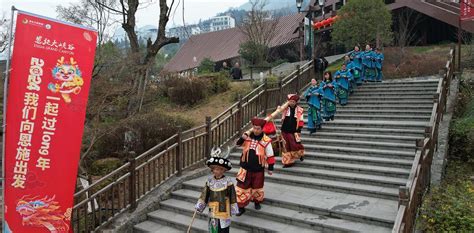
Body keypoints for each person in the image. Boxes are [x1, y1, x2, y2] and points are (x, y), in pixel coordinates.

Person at [235, 117, 275, 216]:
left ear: (262, 129)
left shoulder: (266, 140)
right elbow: (238, 144)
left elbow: (270, 155)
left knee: (257, 187)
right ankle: (241, 207)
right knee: (241, 187)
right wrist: (242, 138)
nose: (256, 130)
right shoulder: (247, 137)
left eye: (258, 128)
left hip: (258, 169)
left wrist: (270, 167)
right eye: (254, 128)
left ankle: (257, 202)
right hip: (245, 168)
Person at [195, 147, 239, 233]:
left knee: (223, 229)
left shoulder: (228, 181)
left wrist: (233, 207)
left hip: (224, 211)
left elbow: (232, 195)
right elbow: (204, 195)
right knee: (213, 229)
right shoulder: (209, 181)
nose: (215, 171)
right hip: (213, 210)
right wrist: (200, 205)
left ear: (223, 170)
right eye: (214, 169)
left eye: (218, 169)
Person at [280, 94, 305, 168]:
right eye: (290, 101)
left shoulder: (300, 110)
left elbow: (301, 120)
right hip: (284, 129)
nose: (291, 103)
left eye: (293, 101)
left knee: (294, 144)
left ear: (296, 102)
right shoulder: (285, 108)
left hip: (294, 130)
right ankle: (287, 162)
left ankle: (300, 154)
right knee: (285, 146)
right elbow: (279, 110)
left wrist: (299, 130)